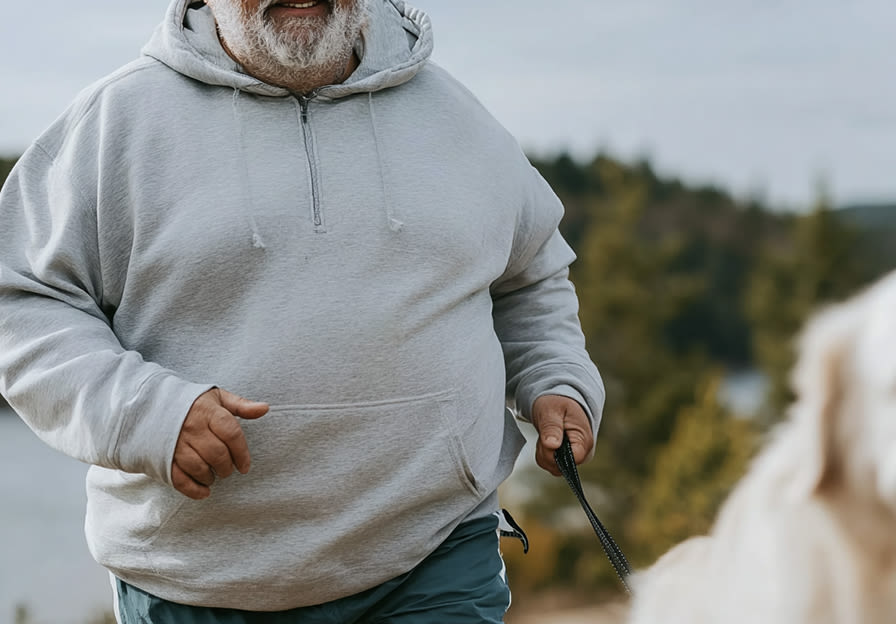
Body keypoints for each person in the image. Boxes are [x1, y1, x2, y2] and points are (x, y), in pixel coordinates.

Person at [0, 0, 605, 621]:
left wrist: (554, 375)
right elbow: (21, 303)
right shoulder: (115, 124)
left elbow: (530, 273)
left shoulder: (458, 120)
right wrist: (144, 414)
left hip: (434, 556)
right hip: (196, 582)